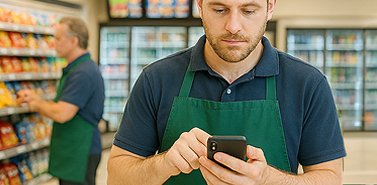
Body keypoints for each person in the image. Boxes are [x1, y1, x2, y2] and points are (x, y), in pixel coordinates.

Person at [107, 0, 346, 184]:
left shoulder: (308, 84)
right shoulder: (155, 79)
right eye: (219, 10)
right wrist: (164, 163)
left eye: (249, 10)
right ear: (200, 5)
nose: (233, 26)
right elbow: (116, 177)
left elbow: (330, 178)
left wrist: (267, 179)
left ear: (270, 7)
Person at [16, 17, 105, 185]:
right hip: (74, 150)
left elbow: (62, 113)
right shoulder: (78, 68)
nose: (54, 43)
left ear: (73, 41)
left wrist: (35, 104)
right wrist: (36, 99)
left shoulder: (83, 73)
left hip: (79, 151)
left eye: (58, 38)